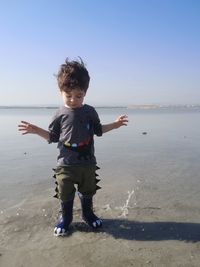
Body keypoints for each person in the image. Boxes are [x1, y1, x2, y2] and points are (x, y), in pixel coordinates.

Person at [18, 57, 128, 236]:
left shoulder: (90, 111)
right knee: (64, 191)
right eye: (68, 95)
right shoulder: (59, 114)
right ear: (60, 91)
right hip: (65, 165)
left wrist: (115, 125)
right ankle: (66, 218)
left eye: (78, 96)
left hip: (87, 163)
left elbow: (98, 131)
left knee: (88, 190)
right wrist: (36, 130)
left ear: (85, 92)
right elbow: (53, 137)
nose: (73, 100)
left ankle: (88, 213)